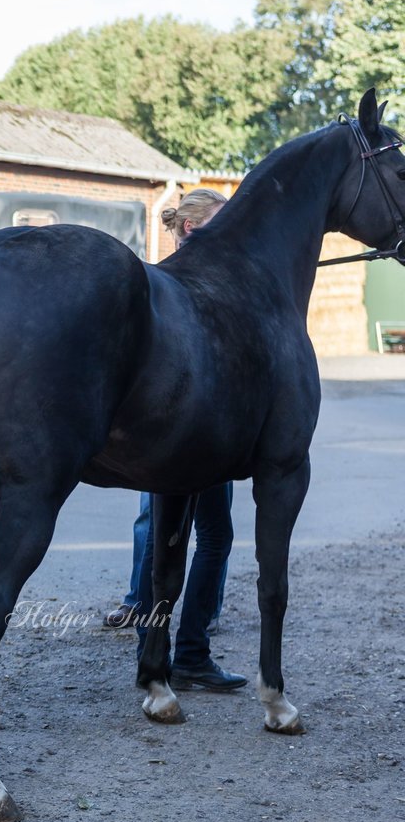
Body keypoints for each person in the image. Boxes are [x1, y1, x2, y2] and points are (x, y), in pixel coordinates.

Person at [103, 188, 246, 692]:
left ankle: (165, 646)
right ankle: (183, 651)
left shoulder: (174, 280)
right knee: (193, 535)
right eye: (219, 223)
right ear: (192, 228)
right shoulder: (189, 283)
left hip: (185, 430)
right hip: (189, 432)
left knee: (180, 534)